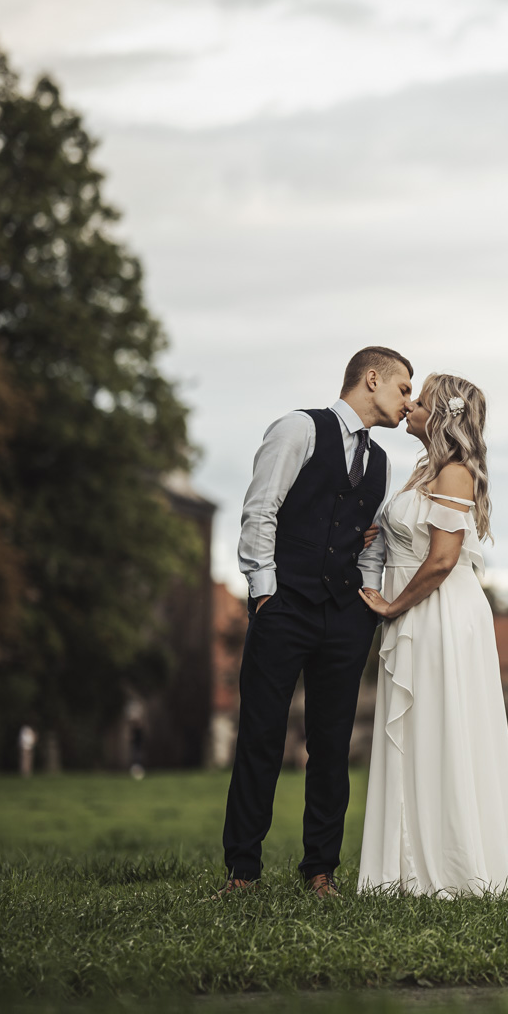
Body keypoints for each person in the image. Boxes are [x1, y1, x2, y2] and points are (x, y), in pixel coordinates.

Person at [216, 346, 413, 899]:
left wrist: (366, 597)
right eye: (402, 389)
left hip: (345, 619)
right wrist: (264, 594)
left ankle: (320, 872)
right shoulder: (298, 430)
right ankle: (242, 873)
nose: (408, 402)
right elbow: (261, 510)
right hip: (284, 609)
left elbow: (370, 542)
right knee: (261, 737)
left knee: (332, 746)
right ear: (371, 379)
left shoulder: (382, 464)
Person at [356, 373, 508, 898]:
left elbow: (442, 561)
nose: (410, 407)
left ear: (441, 416)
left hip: (439, 612)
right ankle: (402, 865)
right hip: (422, 610)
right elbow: (415, 536)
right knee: (421, 729)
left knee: (442, 726)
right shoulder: (426, 471)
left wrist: (393, 605)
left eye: (420, 402)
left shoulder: (457, 473)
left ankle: (450, 863)